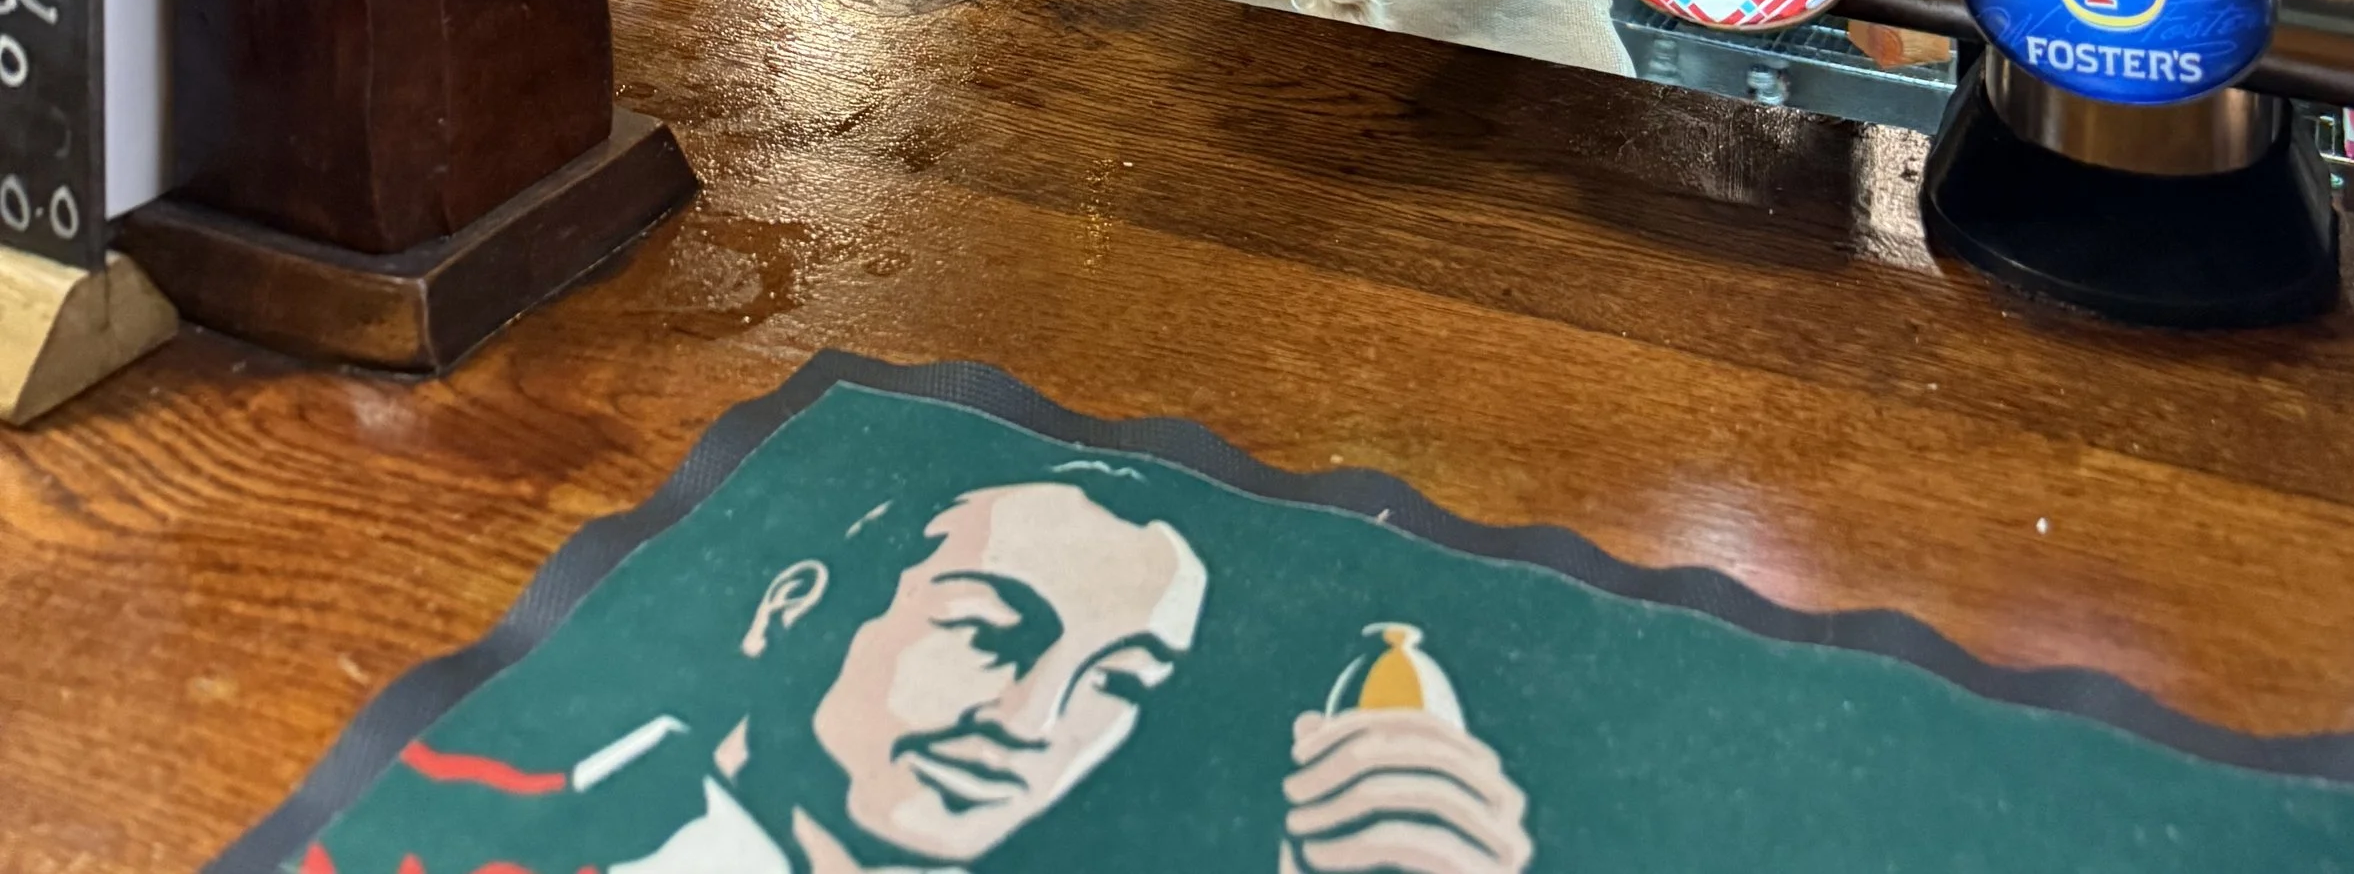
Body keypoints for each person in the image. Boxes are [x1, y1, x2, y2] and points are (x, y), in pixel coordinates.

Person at [308, 472, 1529, 874]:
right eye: (995, 630)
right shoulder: (475, 821)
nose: (1033, 718)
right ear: (799, 602)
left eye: (1119, 680)